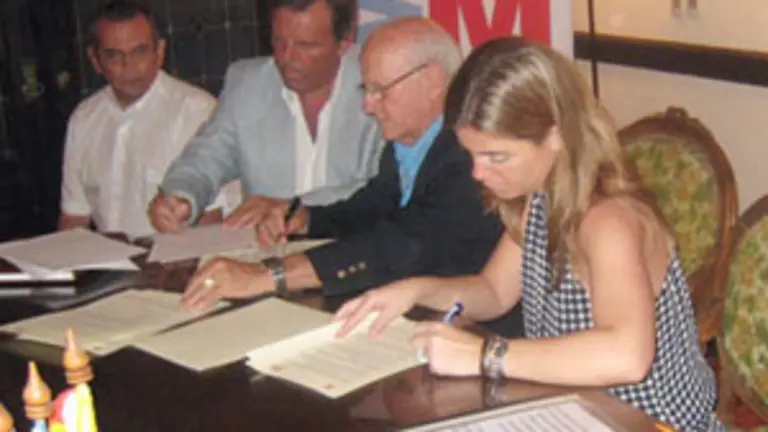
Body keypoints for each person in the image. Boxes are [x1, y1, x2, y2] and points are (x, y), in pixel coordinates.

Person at [333, 37, 723, 431]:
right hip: (576, 414)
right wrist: (415, 290)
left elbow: (627, 356)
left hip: (652, 424)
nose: (478, 174)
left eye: (496, 157)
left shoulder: (608, 219)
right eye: (472, 155)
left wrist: (486, 355)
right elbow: (493, 291)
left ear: (555, 135)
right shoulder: (539, 198)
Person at [181, 17, 518, 335]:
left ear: (432, 82)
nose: (368, 107)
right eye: (366, 90)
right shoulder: (409, 143)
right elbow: (369, 210)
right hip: (426, 323)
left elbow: (403, 245)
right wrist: (305, 218)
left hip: (490, 337)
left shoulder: (469, 157)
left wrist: (267, 275)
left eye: (380, 90)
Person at [149, 0, 384, 233]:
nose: (286, 57)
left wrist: (291, 208)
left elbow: (385, 190)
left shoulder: (382, 83)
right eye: (279, 41)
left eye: (305, 45)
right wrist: (181, 197)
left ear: (345, 41)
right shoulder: (247, 85)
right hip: (266, 259)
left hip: (356, 252)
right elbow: (206, 158)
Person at [59, 1, 233, 238]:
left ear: (159, 52)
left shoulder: (198, 111)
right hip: (107, 267)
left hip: (178, 264)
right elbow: (75, 216)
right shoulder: (84, 118)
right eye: (114, 55)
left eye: (139, 52)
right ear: (95, 60)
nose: (128, 66)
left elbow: (214, 218)